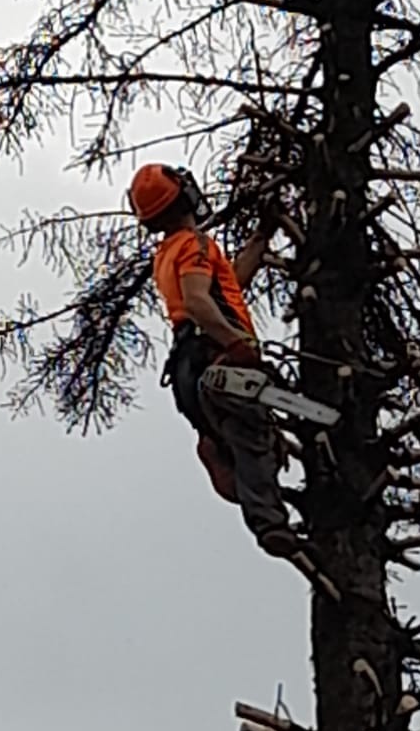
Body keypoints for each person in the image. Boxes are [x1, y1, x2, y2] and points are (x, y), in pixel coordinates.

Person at [128, 162, 301, 559]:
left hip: (190, 373)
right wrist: (237, 343)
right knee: (256, 432)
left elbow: (229, 286)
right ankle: (270, 524)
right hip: (217, 363)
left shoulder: (170, 253)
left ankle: (226, 458)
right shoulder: (195, 244)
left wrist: (262, 235)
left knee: (253, 439)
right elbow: (200, 303)